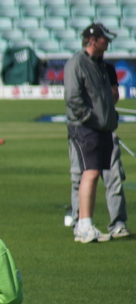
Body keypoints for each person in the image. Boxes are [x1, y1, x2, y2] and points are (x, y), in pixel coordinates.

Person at [64, 23, 119, 243]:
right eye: (105, 38)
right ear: (93, 39)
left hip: (101, 127)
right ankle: (84, 225)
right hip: (86, 128)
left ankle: (85, 224)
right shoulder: (77, 63)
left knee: (94, 174)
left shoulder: (100, 65)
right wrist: (91, 119)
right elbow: (72, 98)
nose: (108, 42)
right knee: (90, 173)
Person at [68, 61, 130, 239]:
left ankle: (118, 223)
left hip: (105, 128)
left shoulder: (107, 68)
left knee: (113, 175)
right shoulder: (78, 67)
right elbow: (74, 98)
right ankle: (78, 222)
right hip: (83, 130)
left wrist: (101, 95)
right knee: (80, 176)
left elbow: (114, 94)